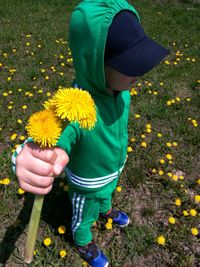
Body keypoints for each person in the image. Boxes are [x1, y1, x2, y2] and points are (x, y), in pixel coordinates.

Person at [12, 1, 169, 266]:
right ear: (95, 63)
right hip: (87, 184)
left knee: (107, 194)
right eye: (128, 64)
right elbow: (52, 135)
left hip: (112, 169)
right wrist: (27, 157)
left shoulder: (122, 91)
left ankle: (106, 207)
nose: (139, 72)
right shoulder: (78, 105)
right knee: (85, 213)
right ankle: (82, 239)